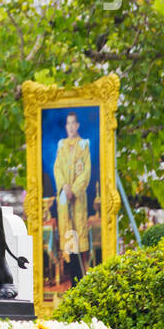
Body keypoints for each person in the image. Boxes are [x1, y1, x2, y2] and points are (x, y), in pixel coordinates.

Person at [53, 112, 92, 281]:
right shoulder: (61, 145)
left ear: (77, 125)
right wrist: (64, 186)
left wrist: (73, 190)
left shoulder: (84, 145)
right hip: (64, 196)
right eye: (67, 123)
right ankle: (71, 279)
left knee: (78, 231)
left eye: (73, 123)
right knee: (68, 236)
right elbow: (57, 168)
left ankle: (80, 278)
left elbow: (86, 171)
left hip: (77, 198)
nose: (70, 127)